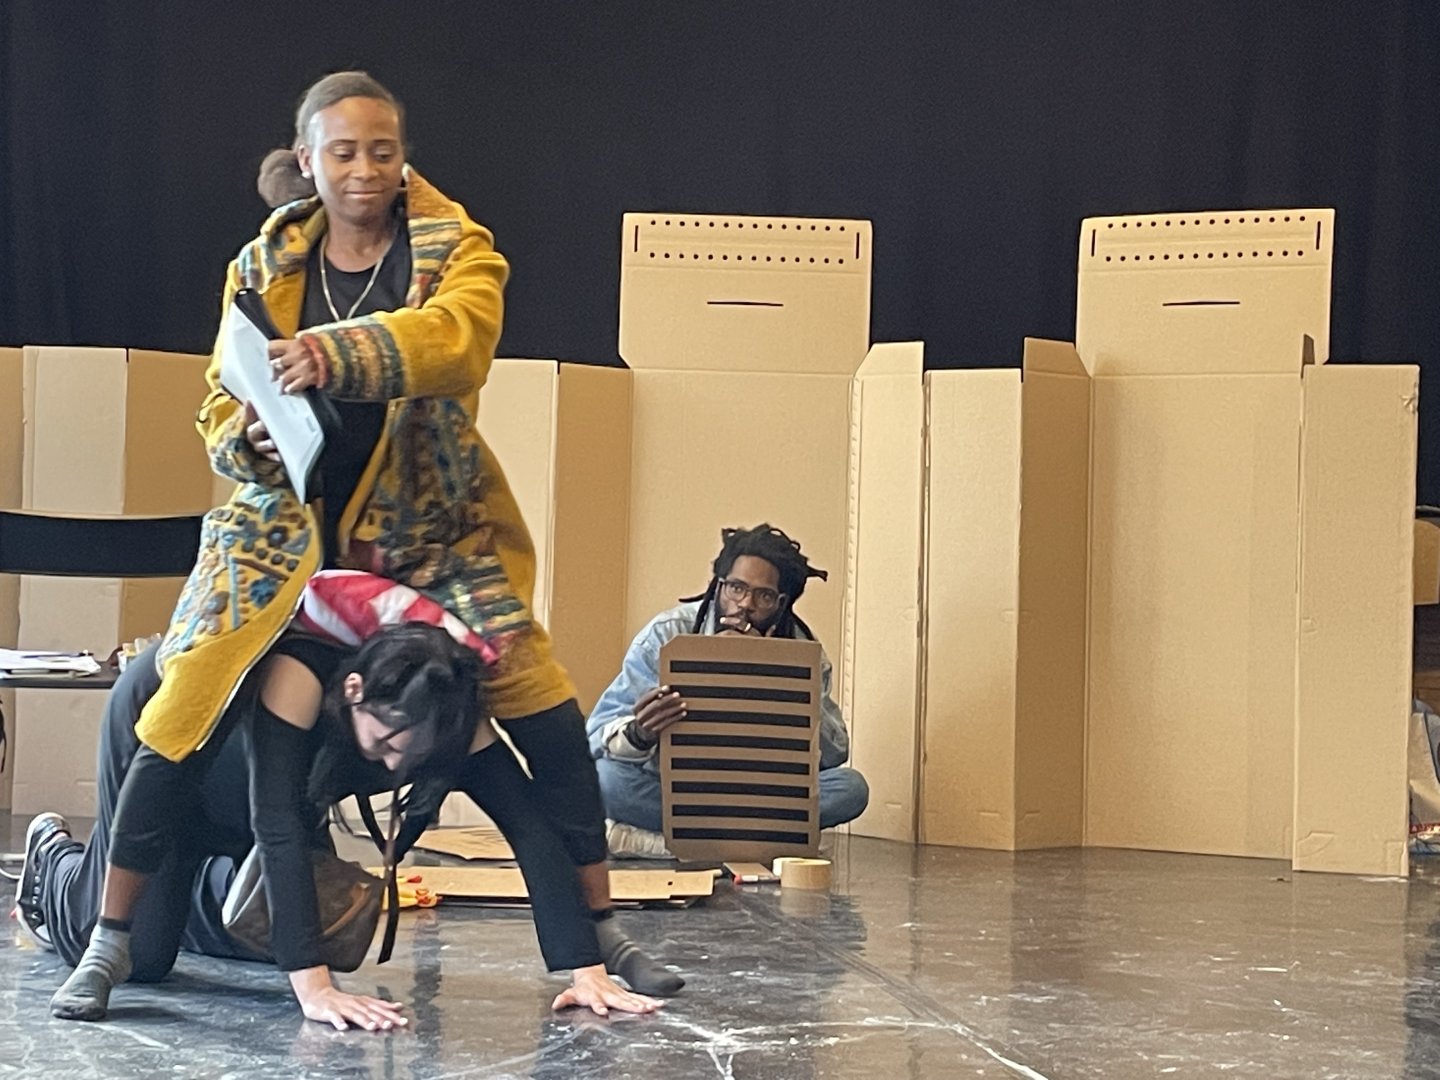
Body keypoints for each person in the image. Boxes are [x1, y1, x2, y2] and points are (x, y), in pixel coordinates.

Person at [35, 68, 678, 1016]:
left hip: (428, 536)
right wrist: (245, 440)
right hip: (277, 539)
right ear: (308, 160)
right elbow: (219, 402)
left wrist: (328, 353)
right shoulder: (262, 265)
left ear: (403, 156)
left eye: (382, 151)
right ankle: (107, 938)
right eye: (343, 153)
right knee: (180, 709)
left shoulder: (457, 249)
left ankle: (601, 935)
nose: (365, 170)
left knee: (542, 707)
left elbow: (458, 341)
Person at [17, 625, 662, 1026]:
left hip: (272, 799)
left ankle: (184, 885)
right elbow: (277, 829)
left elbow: (531, 829)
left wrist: (584, 967)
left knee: (277, 932)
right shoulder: (297, 681)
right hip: (176, 757)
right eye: (387, 744)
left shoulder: (444, 714)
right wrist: (317, 989)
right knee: (144, 960)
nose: (396, 764)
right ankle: (53, 862)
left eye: (416, 755)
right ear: (353, 691)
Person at [586, 524, 870, 858]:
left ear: (781, 603)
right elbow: (593, 738)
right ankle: (755, 844)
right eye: (736, 588)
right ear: (719, 585)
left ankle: (670, 845)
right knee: (604, 780)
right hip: (679, 791)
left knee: (852, 788)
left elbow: (835, 753)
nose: (745, 604)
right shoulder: (666, 635)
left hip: (761, 793)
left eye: (763, 596)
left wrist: (778, 674)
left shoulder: (802, 650)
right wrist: (639, 733)